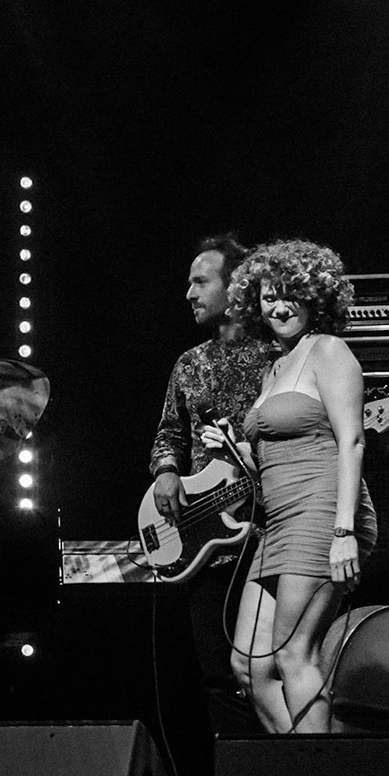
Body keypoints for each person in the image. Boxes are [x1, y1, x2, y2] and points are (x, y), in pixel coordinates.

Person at [205, 239, 377, 735]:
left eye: (289, 295)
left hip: (323, 514)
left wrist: (343, 533)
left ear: (313, 298)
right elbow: (269, 467)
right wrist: (235, 450)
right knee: (250, 668)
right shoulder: (273, 369)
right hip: (278, 523)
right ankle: (311, 770)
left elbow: (352, 442)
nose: (277, 306)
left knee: (292, 654)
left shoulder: (328, 350)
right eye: (267, 296)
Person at [149, 233, 274, 747]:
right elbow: (168, 433)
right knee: (216, 672)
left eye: (201, 281)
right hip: (208, 538)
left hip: (270, 530)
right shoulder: (189, 363)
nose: (189, 293)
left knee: (268, 665)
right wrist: (165, 472)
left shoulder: (278, 355)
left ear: (234, 286)